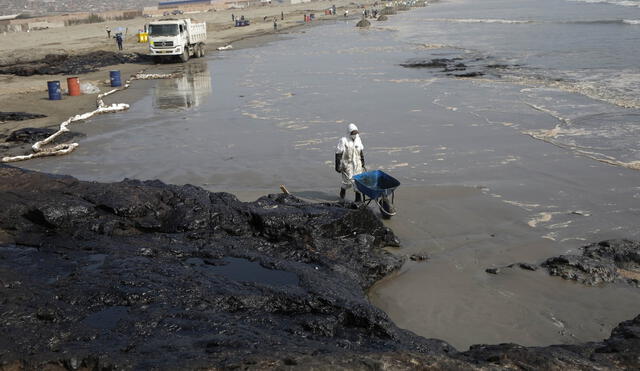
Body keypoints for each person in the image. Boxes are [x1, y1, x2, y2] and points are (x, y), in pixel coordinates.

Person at [335, 123, 366, 202]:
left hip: (357, 165)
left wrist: (362, 161)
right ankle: (342, 195)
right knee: (347, 182)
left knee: (358, 182)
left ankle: (358, 200)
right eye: (353, 133)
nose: (355, 134)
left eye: (356, 133)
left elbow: (361, 151)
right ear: (349, 133)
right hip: (347, 165)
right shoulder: (343, 140)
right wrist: (337, 166)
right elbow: (338, 153)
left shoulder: (358, 139)